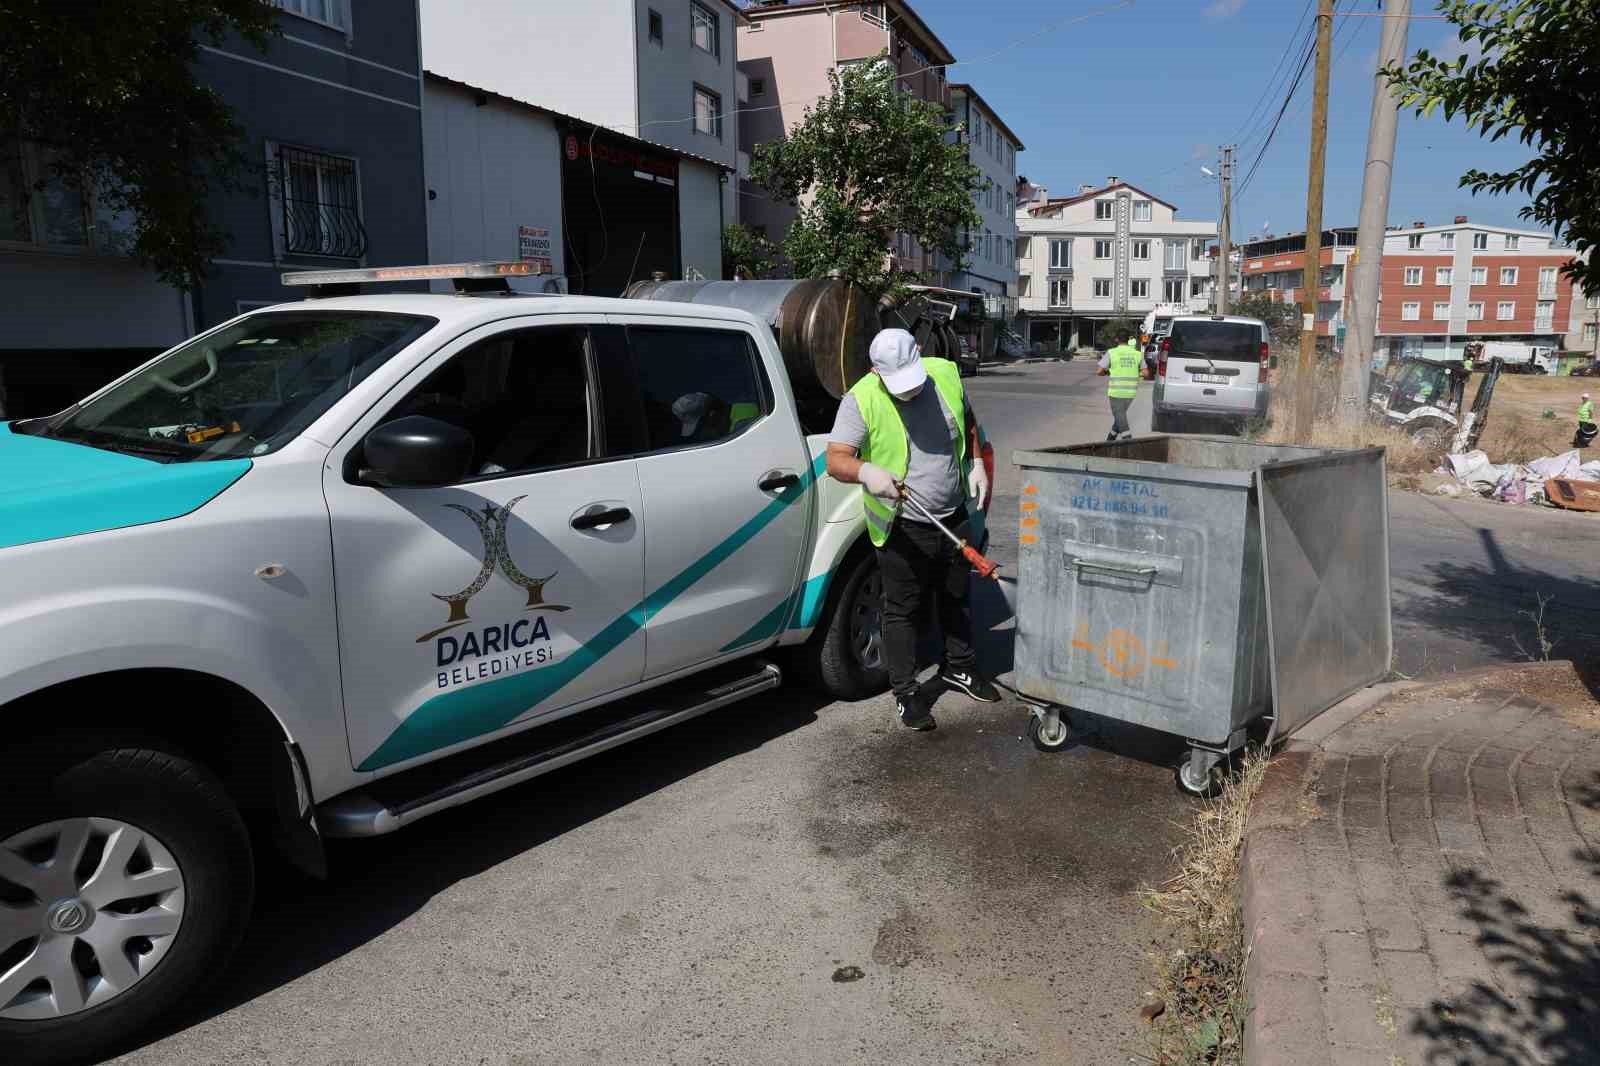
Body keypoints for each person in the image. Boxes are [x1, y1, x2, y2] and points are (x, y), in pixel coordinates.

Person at [826, 328, 997, 732]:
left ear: (919, 354)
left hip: (952, 512)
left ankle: (960, 667)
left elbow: (968, 420)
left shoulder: (946, 374)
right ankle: (905, 691)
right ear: (875, 371)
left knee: (957, 594)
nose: (909, 391)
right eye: (897, 384)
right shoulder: (861, 399)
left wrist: (975, 462)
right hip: (903, 523)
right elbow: (836, 459)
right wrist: (866, 471)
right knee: (902, 609)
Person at [1097, 333, 1146, 441]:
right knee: (1120, 418)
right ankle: (1109, 441)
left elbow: (1099, 371)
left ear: (1116, 339)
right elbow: (1146, 373)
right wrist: (1135, 371)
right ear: (1129, 340)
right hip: (1131, 393)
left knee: (1121, 420)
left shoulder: (1111, 352)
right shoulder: (1138, 354)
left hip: (1116, 392)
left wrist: (1108, 372)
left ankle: (1129, 443)